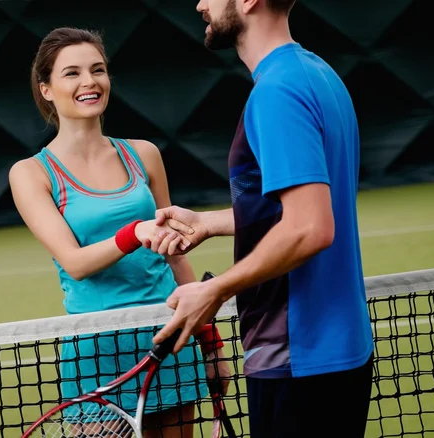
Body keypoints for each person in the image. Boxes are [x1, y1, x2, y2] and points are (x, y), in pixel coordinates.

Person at [147, 1, 375, 437]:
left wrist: (216, 289)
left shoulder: (276, 92)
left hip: (298, 359)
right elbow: (305, 209)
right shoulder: (318, 75)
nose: (200, 3)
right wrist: (210, 223)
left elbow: (310, 227)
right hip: (341, 351)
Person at [9, 27, 229, 437]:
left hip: (170, 343)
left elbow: (176, 253)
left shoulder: (144, 154)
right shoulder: (30, 173)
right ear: (47, 88)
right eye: (71, 73)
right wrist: (135, 231)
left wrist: (210, 342)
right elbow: (74, 263)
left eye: (98, 70)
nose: (89, 81)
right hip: (96, 354)